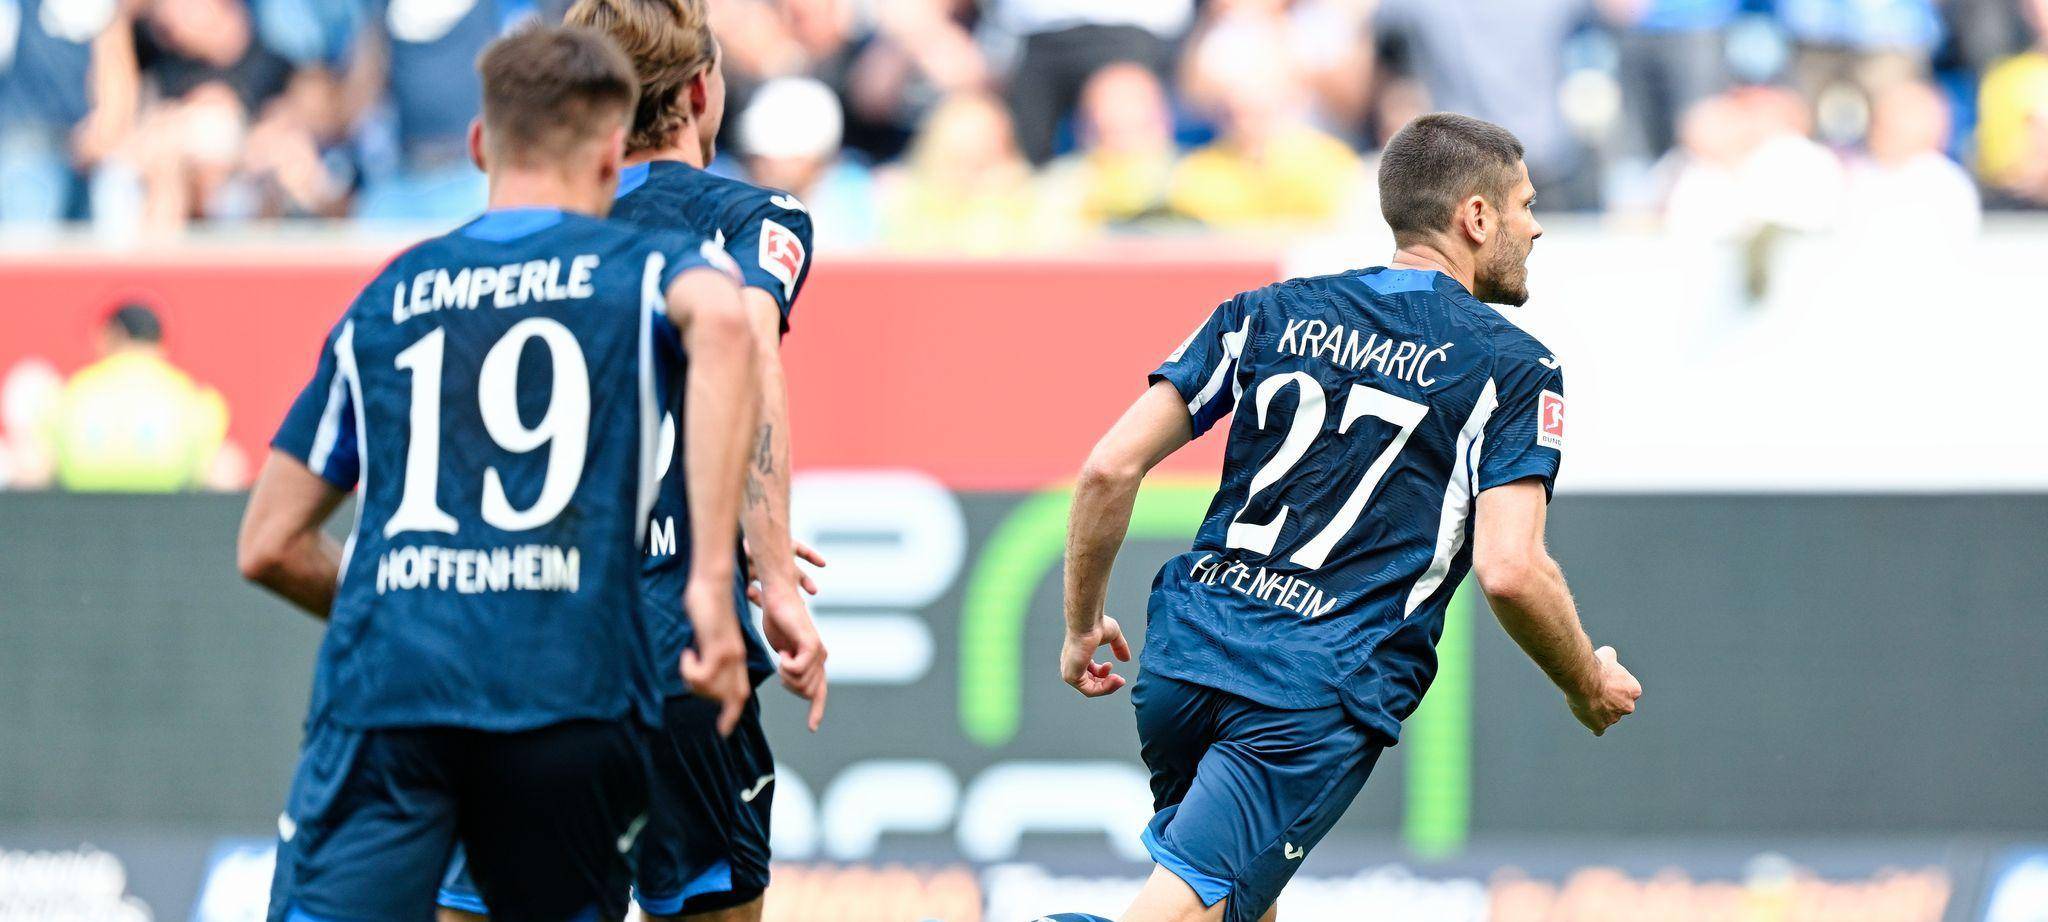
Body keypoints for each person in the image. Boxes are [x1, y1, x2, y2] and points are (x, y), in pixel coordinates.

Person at [1053, 113, 1642, 922]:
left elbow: (1109, 467)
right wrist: (1585, 682)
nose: (1536, 227)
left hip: (1184, 664)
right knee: (1181, 909)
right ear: (1476, 217)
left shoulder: (1264, 311)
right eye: (1524, 205)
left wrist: (1080, 622)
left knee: (1233, 905)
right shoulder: (1514, 365)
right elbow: (1511, 571)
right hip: (1310, 691)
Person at [237, 24, 759, 922]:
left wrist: (413, 606)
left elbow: (269, 544)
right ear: (610, 153)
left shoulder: (392, 293)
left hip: (392, 693)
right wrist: (713, 581)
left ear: (480, 144)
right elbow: (723, 323)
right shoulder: (640, 269)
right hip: (562, 695)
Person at [435, 2, 827, 921]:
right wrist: (773, 573)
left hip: (520, 646)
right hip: (670, 640)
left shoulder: (512, 241)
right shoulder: (753, 217)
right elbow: (752, 354)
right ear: (700, 89)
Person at [47, 302, 240, 492]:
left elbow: (40, 465)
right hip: (170, 518)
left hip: (78, 517)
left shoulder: (73, 392)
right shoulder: (194, 399)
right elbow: (217, 472)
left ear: (113, 334)